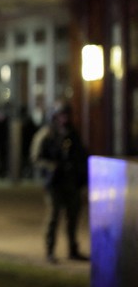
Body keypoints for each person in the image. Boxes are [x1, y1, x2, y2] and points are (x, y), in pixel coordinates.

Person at [32, 102, 89, 263]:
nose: (65, 119)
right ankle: (50, 250)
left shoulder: (72, 134)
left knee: (73, 216)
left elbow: (81, 155)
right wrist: (51, 167)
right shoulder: (47, 134)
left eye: (66, 115)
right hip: (55, 182)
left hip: (71, 182)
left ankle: (73, 249)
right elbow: (36, 159)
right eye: (61, 115)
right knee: (53, 216)